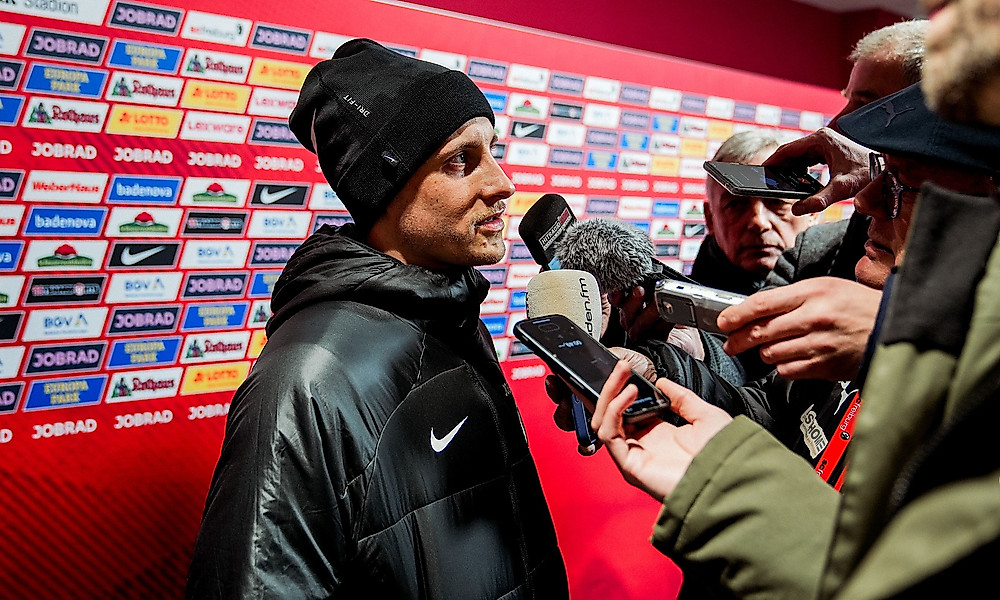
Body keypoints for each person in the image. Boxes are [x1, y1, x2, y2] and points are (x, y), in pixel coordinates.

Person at [589, 1, 1000, 595]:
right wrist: (671, 380)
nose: (865, 196)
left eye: (904, 179)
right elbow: (771, 402)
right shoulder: (843, 256)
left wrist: (899, 341)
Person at [185, 38, 568, 599]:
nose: (502, 183)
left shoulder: (451, 314)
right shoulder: (306, 382)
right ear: (385, 189)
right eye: (460, 160)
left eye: (493, 152)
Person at [690, 130, 816, 296]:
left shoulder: (848, 295)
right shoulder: (669, 310)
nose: (759, 222)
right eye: (736, 205)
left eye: (777, 202)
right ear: (710, 218)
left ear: (812, 212)